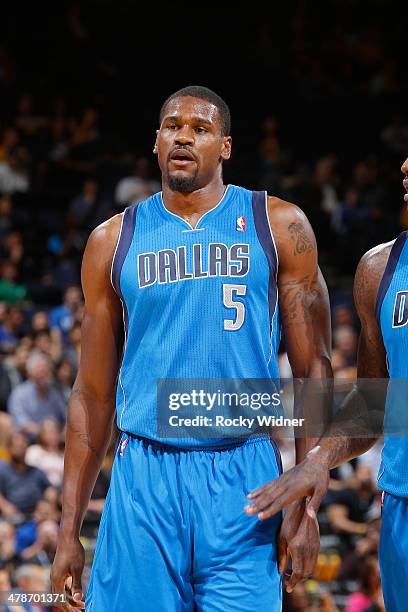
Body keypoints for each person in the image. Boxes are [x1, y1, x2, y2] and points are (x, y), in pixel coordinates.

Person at [51, 86, 332, 611]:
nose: (183, 135)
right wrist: (68, 529)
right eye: (172, 126)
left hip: (245, 476)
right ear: (156, 143)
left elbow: (314, 367)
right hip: (144, 477)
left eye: (200, 129)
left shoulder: (280, 225)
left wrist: (309, 499)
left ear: (225, 146)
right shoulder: (112, 242)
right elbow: (91, 393)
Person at [244, 157, 408, 611]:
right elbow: (374, 403)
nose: (405, 165)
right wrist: (318, 458)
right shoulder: (380, 270)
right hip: (402, 510)